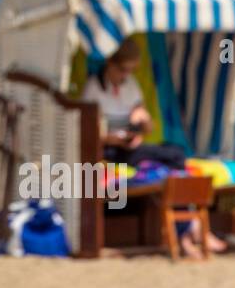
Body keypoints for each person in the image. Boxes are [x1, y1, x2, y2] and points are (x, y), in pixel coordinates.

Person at [83, 37, 226, 256]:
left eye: (130, 70)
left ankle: (190, 226)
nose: (125, 75)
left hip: (128, 148)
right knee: (164, 169)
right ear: (110, 63)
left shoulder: (130, 85)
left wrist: (142, 121)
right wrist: (115, 138)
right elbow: (90, 133)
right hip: (108, 150)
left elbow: (148, 128)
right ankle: (191, 229)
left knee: (176, 155)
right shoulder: (93, 88)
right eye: (123, 70)